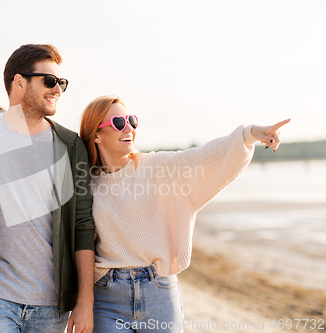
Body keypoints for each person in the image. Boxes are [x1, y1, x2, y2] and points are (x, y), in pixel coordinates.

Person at [79, 96, 290, 333]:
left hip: (158, 294)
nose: (128, 128)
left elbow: (207, 156)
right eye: (118, 122)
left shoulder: (158, 168)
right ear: (96, 135)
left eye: (132, 121)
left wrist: (250, 133)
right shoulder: (85, 183)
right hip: (107, 299)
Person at [0, 44, 95, 333]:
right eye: (49, 81)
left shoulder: (71, 146)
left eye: (61, 82)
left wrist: (85, 301)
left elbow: (82, 225)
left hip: (51, 303)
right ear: (19, 82)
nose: (58, 89)